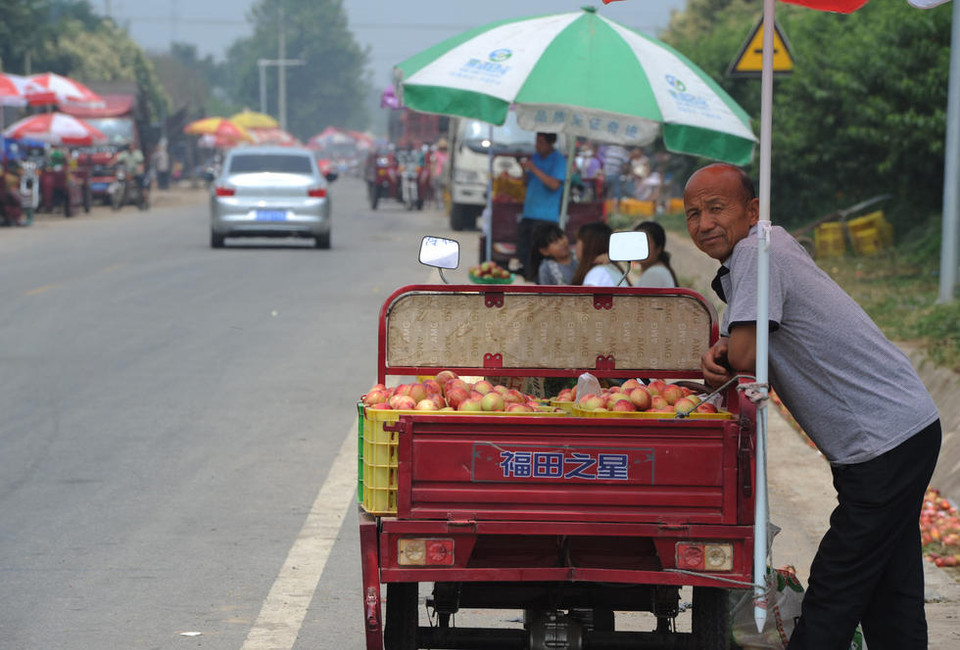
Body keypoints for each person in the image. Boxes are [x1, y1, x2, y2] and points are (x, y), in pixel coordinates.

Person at [683, 163, 941, 650]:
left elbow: (744, 355)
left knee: (837, 586)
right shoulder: (755, 251)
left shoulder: (757, 253)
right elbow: (738, 351)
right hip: (902, 429)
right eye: (693, 214)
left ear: (752, 210)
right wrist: (724, 354)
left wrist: (723, 355)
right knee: (891, 588)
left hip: (882, 442)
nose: (704, 224)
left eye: (717, 208)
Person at [516, 132, 566, 279]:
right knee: (525, 252)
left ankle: (542, 281)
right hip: (529, 213)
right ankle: (530, 278)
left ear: (550, 143)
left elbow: (554, 184)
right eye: (536, 142)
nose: (537, 146)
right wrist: (524, 170)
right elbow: (526, 182)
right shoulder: (535, 158)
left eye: (540, 142)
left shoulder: (559, 160)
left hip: (546, 216)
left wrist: (534, 169)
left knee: (541, 256)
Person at [571, 221, 629, 287]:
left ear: (588, 245)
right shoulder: (609, 268)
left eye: (578, 241)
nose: (576, 246)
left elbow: (586, 297)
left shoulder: (597, 274)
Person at [629, 221, 678, 288]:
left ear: (658, 248)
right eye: (636, 242)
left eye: (644, 243)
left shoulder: (654, 274)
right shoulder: (657, 271)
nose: (638, 247)